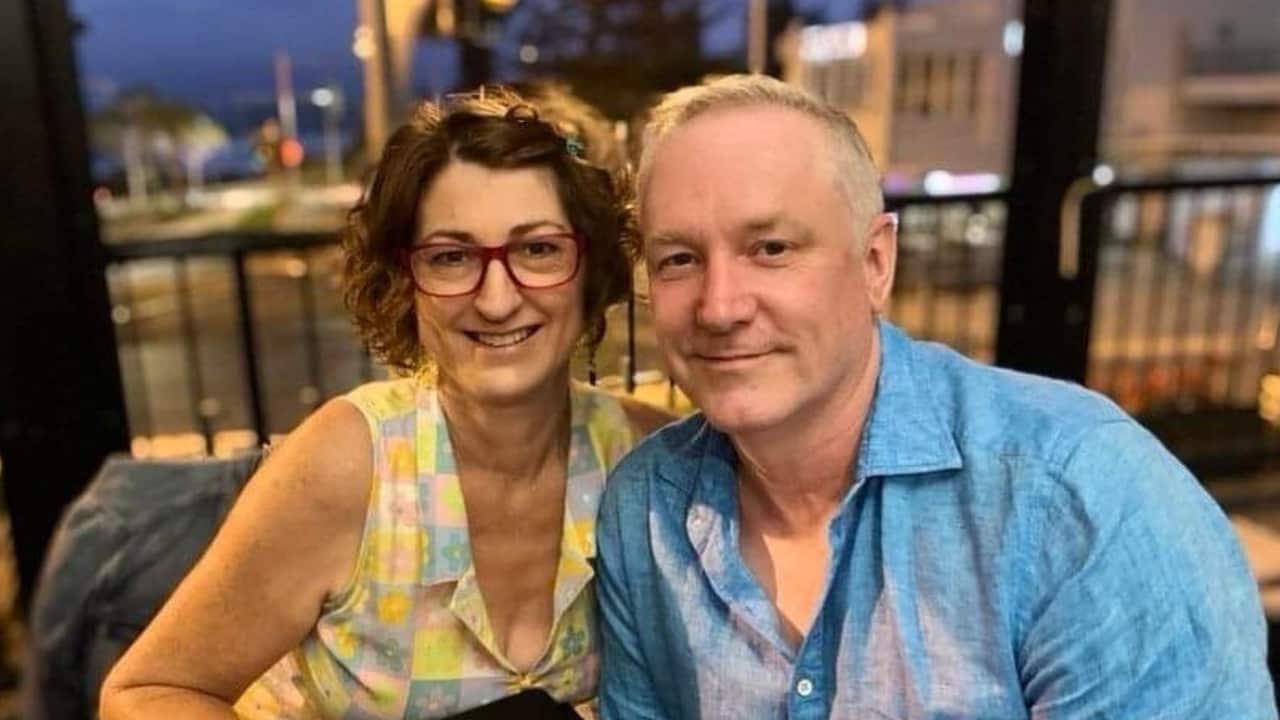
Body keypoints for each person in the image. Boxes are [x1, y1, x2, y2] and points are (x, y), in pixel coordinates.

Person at [596, 74, 1275, 719]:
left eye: (771, 248)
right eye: (679, 259)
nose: (719, 307)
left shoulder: (1078, 494)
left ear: (875, 264)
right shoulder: (645, 508)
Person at [100, 86, 667, 719]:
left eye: (538, 249)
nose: (498, 298)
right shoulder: (351, 465)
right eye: (451, 257)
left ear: (592, 269)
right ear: (405, 282)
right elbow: (146, 693)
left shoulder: (648, 462)